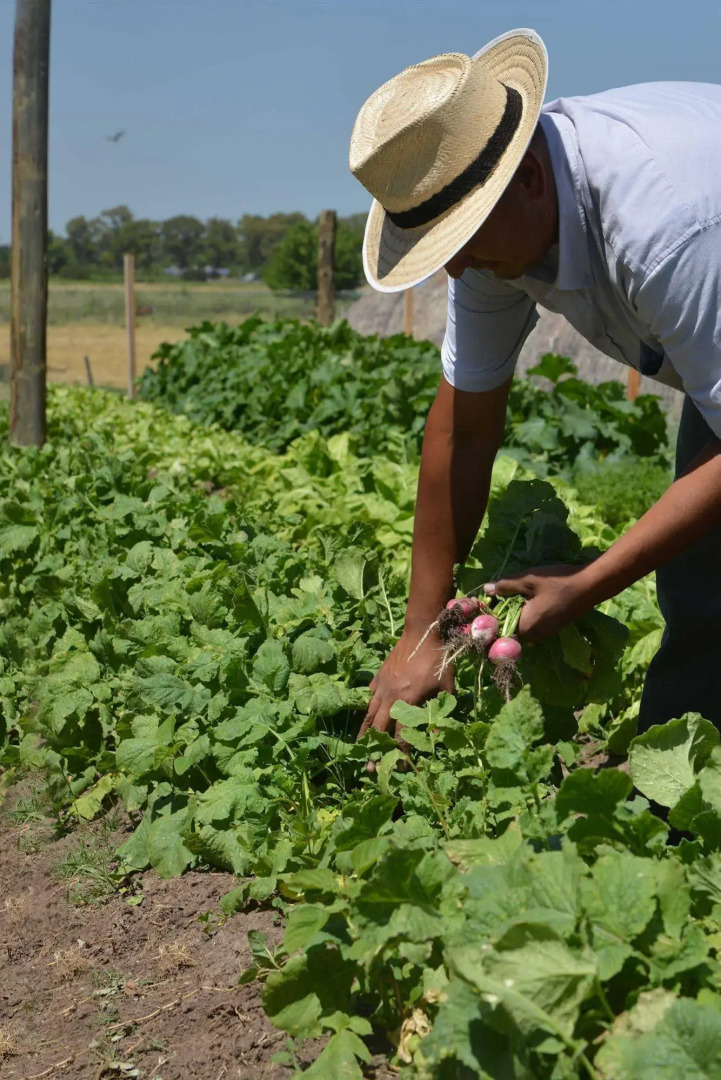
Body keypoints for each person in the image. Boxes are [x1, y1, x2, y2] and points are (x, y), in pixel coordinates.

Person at [348, 28, 721, 746]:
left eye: (461, 244)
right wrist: (419, 633)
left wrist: (588, 585)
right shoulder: (492, 241)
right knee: (700, 584)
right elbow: (463, 429)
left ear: (527, 178)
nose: (454, 274)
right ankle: (682, 816)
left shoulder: (669, 224)